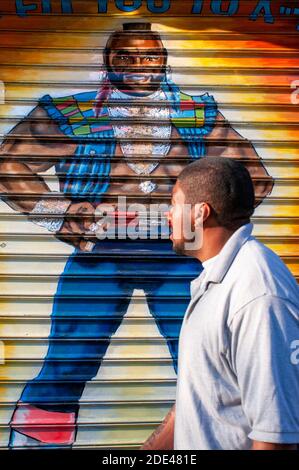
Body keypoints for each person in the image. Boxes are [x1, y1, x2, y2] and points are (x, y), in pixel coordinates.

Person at [0, 22, 273, 447]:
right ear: (110, 61)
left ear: (163, 62)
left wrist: (208, 223)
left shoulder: (196, 113)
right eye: (127, 57)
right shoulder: (71, 112)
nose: (139, 67)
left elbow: (254, 176)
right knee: (67, 362)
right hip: (100, 253)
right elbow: (9, 165)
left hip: (177, 255)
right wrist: (63, 214)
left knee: (204, 365)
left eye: (150, 57)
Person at [141, 157, 299, 450]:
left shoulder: (258, 294)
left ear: (200, 213)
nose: (167, 215)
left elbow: (274, 436)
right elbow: (200, 397)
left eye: (175, 204)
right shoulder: (216, 279)